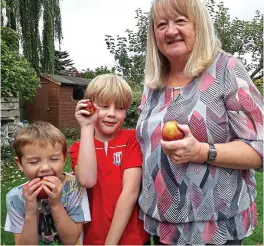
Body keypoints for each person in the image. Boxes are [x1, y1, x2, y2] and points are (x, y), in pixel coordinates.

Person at [136, 0, 264, 245]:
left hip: (214, 228)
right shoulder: (153, 83)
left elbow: (260, 147)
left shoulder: (226, 69)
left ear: (199, 26)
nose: (170, 31)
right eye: (161, 24)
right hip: (162, 225)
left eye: (180, 21)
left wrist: (202, 151)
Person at [70, 74, 150, 245]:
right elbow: (87, 179)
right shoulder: (79, 147)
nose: (112, 114)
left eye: (120, 108)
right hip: (93, 238)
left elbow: (130, 193)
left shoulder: (132, 140)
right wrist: (86, 126)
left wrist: (110, 243)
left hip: (132, 239)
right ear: (89, 105)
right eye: (104, 106)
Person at [4, 121, 91, 245]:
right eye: (34, 161)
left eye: (54, 159)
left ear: (64, 158)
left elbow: (71, 240)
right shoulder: (15, 198)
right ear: (20, 164)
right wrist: (30, 210)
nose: (45, 167)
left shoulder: (74, 188)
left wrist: (56, 204)